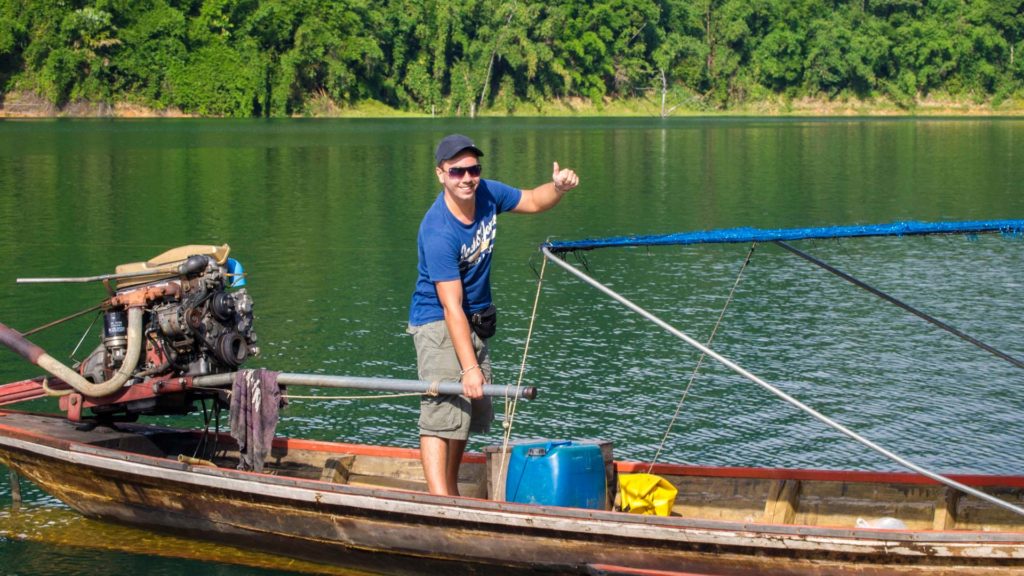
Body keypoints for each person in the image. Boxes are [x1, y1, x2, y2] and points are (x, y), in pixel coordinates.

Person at [407, 134, 579, 496]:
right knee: (442, 409)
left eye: (473, 169)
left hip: (473, 319)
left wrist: (558, 188)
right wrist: (468, 368)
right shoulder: (438, 230)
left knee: (467, 409)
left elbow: (532, 200)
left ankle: (450, 492)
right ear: (441, 174)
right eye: (457, 172)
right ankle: (440, 502)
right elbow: (450, 305)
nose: (467, 178)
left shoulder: (486, 193)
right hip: (436, 320)